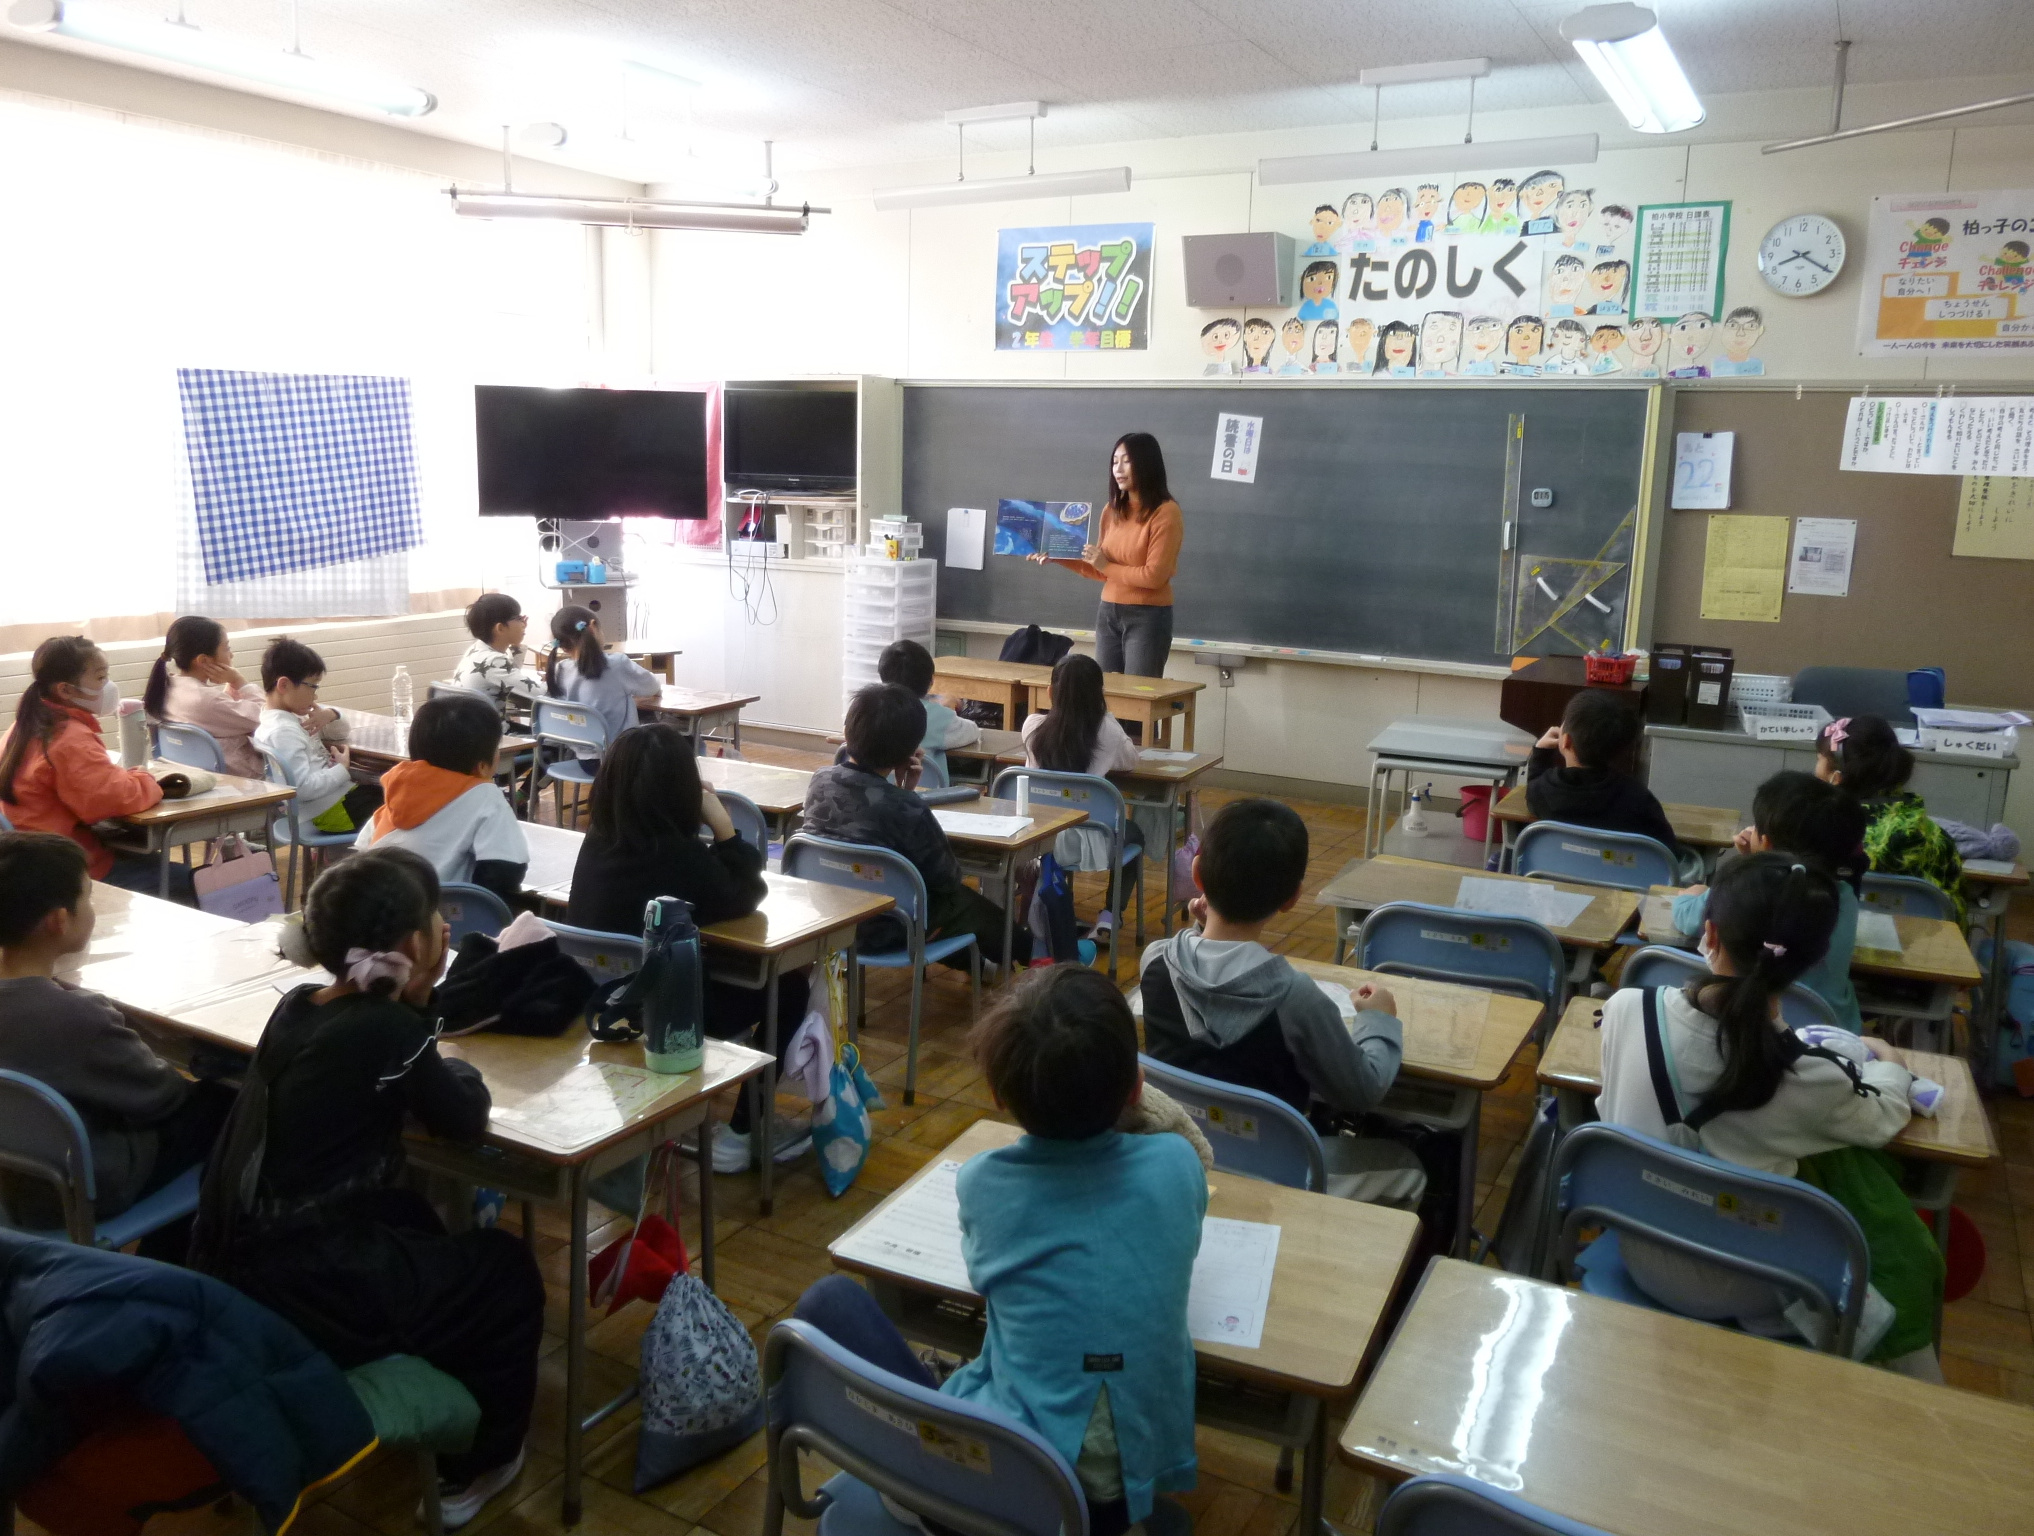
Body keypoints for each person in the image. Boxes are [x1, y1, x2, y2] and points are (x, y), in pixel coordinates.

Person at [191, 850, 545, 1527]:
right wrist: (451, 1059)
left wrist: (418, 1008)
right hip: (310, 1284)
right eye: (435, 919)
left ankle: (425, 1365)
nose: (445, 929)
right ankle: (483, 1461)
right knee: (504, 1269)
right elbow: (462, 1118)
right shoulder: (386, 1028)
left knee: (414, 1215)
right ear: (412, 945)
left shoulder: (298, 1006)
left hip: (235, 1260)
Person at [792, 965, 1204, 1536]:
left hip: (996, 1493)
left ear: (997, 1095)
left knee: (828, 1301)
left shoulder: (983, 1181)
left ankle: (916, 1486)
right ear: (1136, 1089)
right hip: (1121, 1493)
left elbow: (983, 1275)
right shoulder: (1178, 1166)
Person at [1596, 852, 1941, 1379]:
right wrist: (1889, 1061)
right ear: (1815, 958)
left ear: (1710, 933)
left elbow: (1611, 1113)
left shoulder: (1627, 1009)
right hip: (1753, 1283)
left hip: (1637, 1245)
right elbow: (1884, 1117)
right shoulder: (1810, 1080)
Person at [1140, 798, 1424, 1206]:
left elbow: (1202, 983)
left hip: (1179, 1155)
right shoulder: (1294, 997)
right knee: (1408, 1167)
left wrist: (1202, 929)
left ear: (1197, 874)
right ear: (1292, 898)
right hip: (1277, 1174)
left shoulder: (1156, 961)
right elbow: (1362, 1091)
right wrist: (1378, 1020)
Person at [567, 723, 811, 1171]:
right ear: (682, 792)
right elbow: (746, 893)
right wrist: (723, 826)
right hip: (665, 1017)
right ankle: (742, 1133)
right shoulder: (678, 857)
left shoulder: (598, 840)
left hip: (601, 1003)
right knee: (789, 987)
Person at [0, 831, 231, 1250]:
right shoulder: (75, 1016)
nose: (92, 909)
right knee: (226, 1102)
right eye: (88, 898)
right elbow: (163, 1095)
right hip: (83, 1190)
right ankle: (184, 1252)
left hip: (12, 1183)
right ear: (58, 920)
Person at [802, 684, 1028, 968]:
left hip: (830, 917)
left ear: (847, 733)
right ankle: (1032, 958)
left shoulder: (820, 781)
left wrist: (903, 793)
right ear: (910, 751)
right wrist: (906, 796)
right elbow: (946, 879)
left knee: (949, 909)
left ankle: (982, 968)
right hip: (889, 926)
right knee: (966, 906)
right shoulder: (906, 807)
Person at [0, 635, 194, 901]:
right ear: (65, 690)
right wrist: (144, 777)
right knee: (198, 880)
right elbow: (114, 799)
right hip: (70, 871)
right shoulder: (69, 738)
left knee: (151, 859)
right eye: (100, 677)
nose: (108, 685)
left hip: (38, 862)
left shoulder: (23, 726)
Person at [1672, 772, 1867, 1032]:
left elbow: (1688, 918)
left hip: (1751, 1024)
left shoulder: (1745, 890)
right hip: (1829, 1028)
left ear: (1765, 843)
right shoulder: (1844, 898)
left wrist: (1692, 893)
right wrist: (1758, 862)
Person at [1030, 432, 1183, 679]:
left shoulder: (1166, 512)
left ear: (1146, 464)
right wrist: (1057, 555)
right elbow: (1101, 570)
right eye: (1114, 461)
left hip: (1147, 616)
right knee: (1104, 691)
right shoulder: (1112, 510)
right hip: (1108, 612)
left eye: (1127, 461)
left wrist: (1105, 566)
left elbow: (1154, 577)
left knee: (1137, 694)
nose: (1118, 469)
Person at [355, 693, 528, 909]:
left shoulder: (400, 786)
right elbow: (507, 869)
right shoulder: (485, 795)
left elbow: (362, 850)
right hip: (438, 915)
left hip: (376, 908)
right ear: (483, 766)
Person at [1815, 714, 1965, 922]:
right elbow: (1955, 909)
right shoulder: (1936, 839)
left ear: (1836, 777)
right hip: (1921, 940)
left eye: (1819, 760)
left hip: (1842, 938)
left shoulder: (1818, 835)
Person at [1526, 688, 1682, 858]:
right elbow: (1668, 852)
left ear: (1566, 741)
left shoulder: (1544, 791)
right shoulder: (1638, 798)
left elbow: (1532, 791)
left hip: (1558, 871)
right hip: (1620, 873)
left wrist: (1541, 753)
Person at [253, 637, 382, 833]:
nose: (315, 695)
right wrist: (342, 769)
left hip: (333, 802)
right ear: (284, 685)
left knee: (391, 791)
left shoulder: (288, 717)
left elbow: (341, 733)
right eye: (313, 686)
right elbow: (302, 788)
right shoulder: (283, 731)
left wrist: (330, 715)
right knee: (401, 801)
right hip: (329, 810)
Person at [144, 615, 265, 776]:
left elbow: (217, 715)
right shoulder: (206, 700)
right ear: (203, 660)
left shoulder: (169, 688)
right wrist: (239, 681)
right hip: (241, 781)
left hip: (194, 776)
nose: (231, 655)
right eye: (227, 648)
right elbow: (265, 718)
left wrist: (231, 685)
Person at [543, 605, 663, 748]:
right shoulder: (617, 664)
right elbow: (652, 687)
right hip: (619, 753)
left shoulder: (559, 670)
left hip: (579, 754)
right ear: (593, 627)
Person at [878, 638, 978, 783]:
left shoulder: (868, 710)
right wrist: (946, 708)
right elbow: (973, 731)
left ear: (882, 676)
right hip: (929, 794)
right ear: (931, 681)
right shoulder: (938, 715)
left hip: (874, 792)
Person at [452, 593, 540, 715]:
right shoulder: (494, 661)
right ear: (500, 628)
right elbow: (540, 694)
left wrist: (517, 644)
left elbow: (512, 674)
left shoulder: (476, 649)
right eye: (518, 619)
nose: (523, 624)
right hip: (489, 727)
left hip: (471, 725)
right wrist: (552, 681)